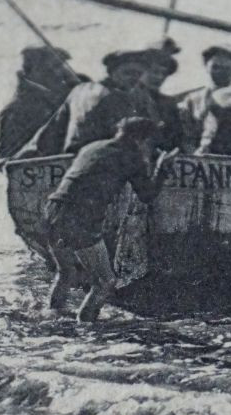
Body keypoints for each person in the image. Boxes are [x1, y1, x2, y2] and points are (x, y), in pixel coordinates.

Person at [44, 117, 177, 322]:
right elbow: (147, 195)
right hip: (80, 219)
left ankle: (50, 317)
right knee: (105, 282)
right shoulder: (131, 156)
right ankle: (87, 330)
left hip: (52, 211)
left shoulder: (93, 146)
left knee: (66, 272)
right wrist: (162, 168)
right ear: (142, 140)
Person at [16, 49, 149, 157]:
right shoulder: (116, 97)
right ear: (112, 72)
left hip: (70, 158)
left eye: (138, 74)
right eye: (128, 73)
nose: (134, 79)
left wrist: (20, 156)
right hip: (98, 162)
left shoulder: (79, 90)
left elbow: (50, 130)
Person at [0, 45, 82, 160]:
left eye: (62, 67)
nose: (62, 72)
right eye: (56, 66)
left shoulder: (66, 98)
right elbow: (9, 160)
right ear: (37, 69)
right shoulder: (16, 110)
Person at [175, 45, 231, 153]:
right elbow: (186, 135)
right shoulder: (193, 99)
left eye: (226, 68)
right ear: (206, 66)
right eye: (215, 67)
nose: (220, 72)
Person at [138, 50, 183, 149]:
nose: (159, 77)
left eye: (163, 73)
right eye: (154, 72)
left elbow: (178, 137)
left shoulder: (169, 103)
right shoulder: (128, 97)